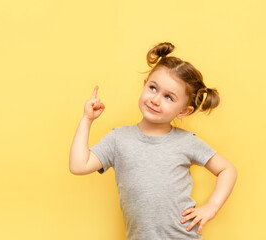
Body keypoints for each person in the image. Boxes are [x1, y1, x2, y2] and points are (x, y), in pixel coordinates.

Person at [69, 42, 237, 240]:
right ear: (144, 85)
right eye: (153, 88)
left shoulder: (186, 142)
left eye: (168, 97)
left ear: (183, 111)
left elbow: (227, 170)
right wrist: (86, 120)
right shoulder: (118, 138)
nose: (155, 100)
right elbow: (79, 165)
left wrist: (212, 207)